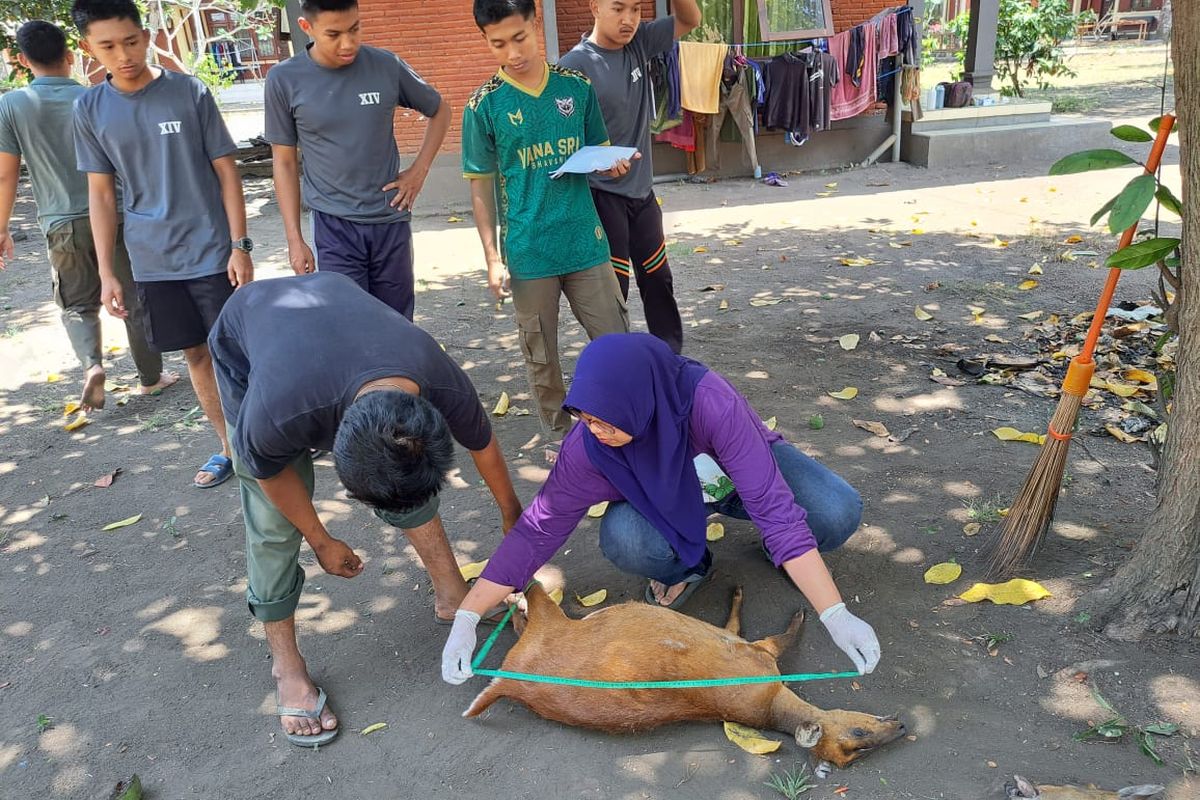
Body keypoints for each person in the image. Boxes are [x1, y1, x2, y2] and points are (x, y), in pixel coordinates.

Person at [442, 333, 881, 684]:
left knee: (836, 511)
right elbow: (537, 530)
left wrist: (835, 614)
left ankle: (784, 555)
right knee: (628, 541)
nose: (597, 430)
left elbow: (773, 506)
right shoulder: (591, 445)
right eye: (586, 418)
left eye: (607, 420)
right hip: (658, 497)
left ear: (641, 401)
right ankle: (687, 565)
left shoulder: (709, 402)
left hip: (734, 477)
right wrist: (468, 614)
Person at [208, 271, 523, 747]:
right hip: (247, 332)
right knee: (273, 527)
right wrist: (320, 538)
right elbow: (270, 474)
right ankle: (287, 667)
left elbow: (483, 445)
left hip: (332, 304)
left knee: (404, 477)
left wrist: (511, 514)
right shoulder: (275, 413)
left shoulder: (438, 379)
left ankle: (451, 593)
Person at [71, 0, 252, 488]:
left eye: (130, 41)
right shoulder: (89, 108)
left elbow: (226, 172)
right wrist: (107, 271)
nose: (123, 54)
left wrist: (241, 244)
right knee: (195, 355)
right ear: (90, 48)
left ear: (146, 35)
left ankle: (271, 436)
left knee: (240, 350)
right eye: (107, 46)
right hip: (153, 261)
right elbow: (102, 194)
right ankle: (230, 446)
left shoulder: (188, 92)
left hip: (213, 250)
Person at [465, 0, 631, 450]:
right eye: (498, 44)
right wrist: (493, 257)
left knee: (617, 344)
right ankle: (565, 443)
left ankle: (628, 427)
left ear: (535, 25)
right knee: (541, 357)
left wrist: (611, 166)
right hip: (528, 250)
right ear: (486, 41)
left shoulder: (575, 88)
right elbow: (480, 189)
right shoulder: (483, 106)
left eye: (519, 38)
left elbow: (598, 151)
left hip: (585, 241)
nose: (512, 53)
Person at [0, 20, 176, 409]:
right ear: (70, 55)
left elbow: (5, 173)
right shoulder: (96, 98)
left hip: (62, 223)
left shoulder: (11, 105)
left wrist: (2, 227)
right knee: (132, 298)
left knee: (77, 304)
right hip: (116, 215)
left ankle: (92, 365)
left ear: (25, 61)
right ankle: (151, 377)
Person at [265, 0, 450, 320]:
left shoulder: (385, 65)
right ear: (306, 27)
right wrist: (295, 240)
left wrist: (419, 171)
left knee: (396, 322)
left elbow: (440, 110)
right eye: (333, 34)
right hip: (333, 225)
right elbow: (283, 163)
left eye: (355, 29)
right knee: (348, 322)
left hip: (389, 219)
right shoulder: (284, 80)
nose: (348, 43)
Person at [559, 0, 702, 354]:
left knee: (658, 281)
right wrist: (598, 163)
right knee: (613, 294)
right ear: (594, 6)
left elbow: (691, 18)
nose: (629, 20)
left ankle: (669, 360)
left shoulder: (639, 43)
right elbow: (563, 144)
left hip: (642, 195)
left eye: (636, 10)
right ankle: (616, 371)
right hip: (602, 199)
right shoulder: (573, 67)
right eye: (619, 8)